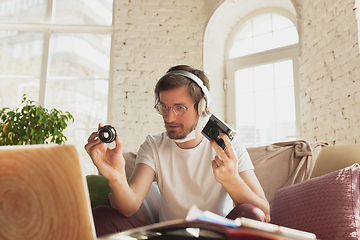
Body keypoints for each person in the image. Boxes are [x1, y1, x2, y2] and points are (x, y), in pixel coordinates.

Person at [84, 65, 270, 237]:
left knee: (251, 214)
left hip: (217, 235)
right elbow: (129, 207)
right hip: (169, 237)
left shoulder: (228, 145)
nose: (169, 117)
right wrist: (117, 177)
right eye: (164, 107)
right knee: (100, 215)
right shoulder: (153, 146)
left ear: (203, 108)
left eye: (180, 108)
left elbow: (264, 213)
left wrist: (232, 180)